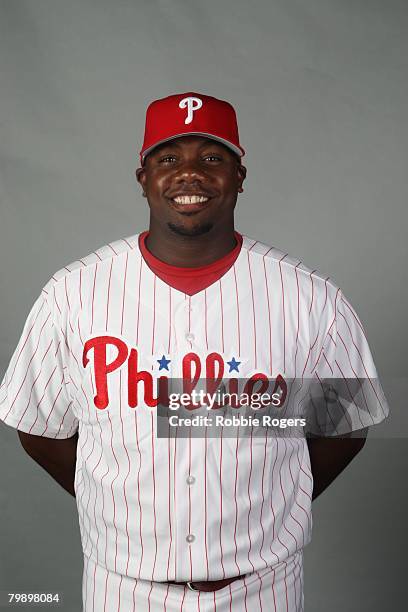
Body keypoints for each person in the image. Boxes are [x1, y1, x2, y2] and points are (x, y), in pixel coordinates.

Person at [0, 92, 389, 611]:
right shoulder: (73, 294)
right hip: (124, 589)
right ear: (143, 177)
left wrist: (276, 503)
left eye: (211, 158)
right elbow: (36, 425)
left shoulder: (311, 297)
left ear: (239, 176)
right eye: (168, 158)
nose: (190, 174)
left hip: (262, 588)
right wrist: (117, 506)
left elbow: (347, 425)